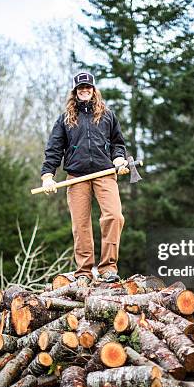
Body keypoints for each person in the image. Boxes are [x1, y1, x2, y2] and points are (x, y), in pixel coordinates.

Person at [40, 72, 129, 285]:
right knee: (81, 224)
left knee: (114, 216)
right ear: (75, 91)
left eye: (88, 87)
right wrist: (47, 176)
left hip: (105, 173)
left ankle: (108, 268)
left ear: (93, 89)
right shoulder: (65, 118)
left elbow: (118, 143)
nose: (84, 90)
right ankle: (84, 272)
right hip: (76, 176)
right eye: (80, 88)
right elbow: (54, 149)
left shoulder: (107, 115)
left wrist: (118, 159)